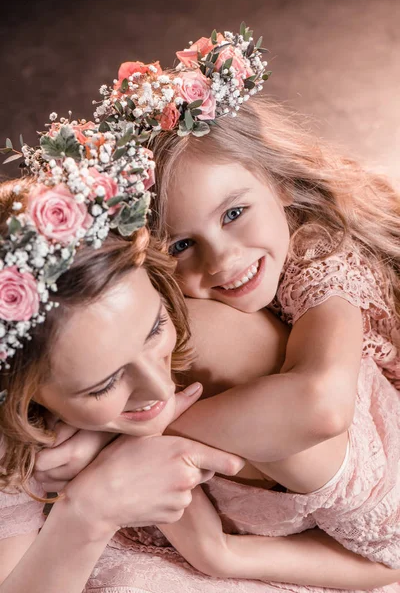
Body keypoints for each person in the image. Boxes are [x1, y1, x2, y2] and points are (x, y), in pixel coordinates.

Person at [0, 122, 399, 592]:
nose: (159, 386)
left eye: (155, 329)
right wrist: (90, 507)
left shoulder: (297, 271)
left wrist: (114, 440)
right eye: (182, 244)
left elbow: (324, 414)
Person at [86, 24, 400, 580]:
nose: (223, 259)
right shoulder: (178, 291)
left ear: (276, 184)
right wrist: (220, 555)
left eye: (234, 214)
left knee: (195, 337)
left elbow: (322, 406)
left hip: (379, 487)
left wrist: (139, 435)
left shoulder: (318, 253)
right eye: (181, 245)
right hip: (364, 544)